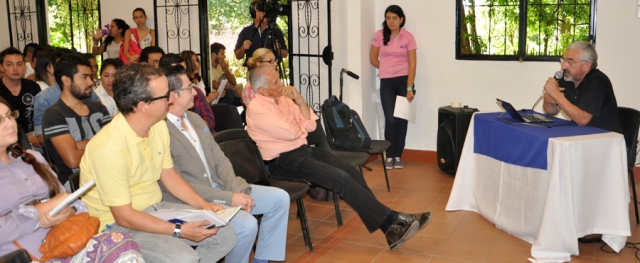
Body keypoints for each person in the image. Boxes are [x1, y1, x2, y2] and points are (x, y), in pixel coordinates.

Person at [246, 65, 431, 250]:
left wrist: (299, 100)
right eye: (276, 82)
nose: (281, 84)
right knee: (340, 179)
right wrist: (297, 127)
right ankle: (393, 221)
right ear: (262, 89)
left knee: (352, 173)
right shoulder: (256, 108)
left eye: (279, 79)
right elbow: (290, 132)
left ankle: (391, 228)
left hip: (303, 150)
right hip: (282, 161)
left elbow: (310, 126)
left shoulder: (285, 101)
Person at [80, 63, 236, 262]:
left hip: (155, 208)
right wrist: (179, 230)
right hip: (114, 226)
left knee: (224, 235)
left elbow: (169, 175)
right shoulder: (108, 148)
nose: (171, 100)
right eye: (165, 96)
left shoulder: (158, 126)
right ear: (143, 106)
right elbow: (124, 216)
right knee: (183, 258)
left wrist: (204, 205)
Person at [161, 65, 289, 263]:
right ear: (172, 96)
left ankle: (261, 261)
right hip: (194, 200)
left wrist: (238, 189)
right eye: (188, 87)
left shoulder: (195, 119)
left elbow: (220, 159)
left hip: (222, 187)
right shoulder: (161, 131)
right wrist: (230, 198)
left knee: (279, 199)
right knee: (246, 225)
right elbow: (179, 184)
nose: (195, 91)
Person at [0, 97, 145, 262]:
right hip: (26, 255)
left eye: (10, 115)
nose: (10, 123)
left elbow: (67, 199)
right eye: (0, 120)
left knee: (121, 244)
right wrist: (40, 212)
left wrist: (68, 211)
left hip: (67, 238)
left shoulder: (31, 158)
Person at [42, 54, 111, 185]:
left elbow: (117, 143)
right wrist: (103, 143)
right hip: (77, 186)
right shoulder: (54, 115)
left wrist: (80, 144)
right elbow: (72, 160)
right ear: (66, 81)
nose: (91, 82)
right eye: (84, 77)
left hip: (108, 175)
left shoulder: (99, 108)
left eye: (90, 76)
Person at [369, 5, 416, 170]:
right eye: (388, 18)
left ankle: (397, 155)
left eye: (395, 18)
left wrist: (409, 88)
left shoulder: (408, 37)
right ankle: (389, 154)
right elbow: (373, 59)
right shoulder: (380, 35)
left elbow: (413, 64)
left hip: (403, 81)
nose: (391, 21)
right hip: (387, 82)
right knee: (390, 118)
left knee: (402, 118)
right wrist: (385, 68)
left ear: (401, 19)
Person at [543, 41, 622, 133]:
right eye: (563, 61)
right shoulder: (567, 78)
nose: (564, 66)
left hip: (605, 138)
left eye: (570, 62)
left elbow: (583, 119)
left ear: (586, 66)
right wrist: (548, 99)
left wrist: (556, 95)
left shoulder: (598, 81)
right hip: (581, 135)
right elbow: (551, 111)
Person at [32, 48, 100, 150]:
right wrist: (72, 145)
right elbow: (41, 137)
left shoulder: (88, 92)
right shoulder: (43, 99)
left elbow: (103, 127)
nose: (90, 82)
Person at [160, 53, 217, 134]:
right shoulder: (159, 118)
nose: (184, 74)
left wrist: (199, 133)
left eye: (184, 70)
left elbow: (209, 121)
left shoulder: (196, 93)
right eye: (178, 71)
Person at [0, 47, 41, 148]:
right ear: (1, 67)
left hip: (35, 136)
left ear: (24, 66)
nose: (15, 69)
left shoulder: (33, 86)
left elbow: (41, 115)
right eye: (9, 64)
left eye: (19, 64)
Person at [234, 1, 288, 67]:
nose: (265, 14)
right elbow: (238, 56)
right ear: (254, 13)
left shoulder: (275, 31)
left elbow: (285, 54)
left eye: (266, 12)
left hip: (272, 70)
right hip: (253, 71)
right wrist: (243, 48)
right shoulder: (246, 31)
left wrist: (278, 49)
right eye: (261, 11)